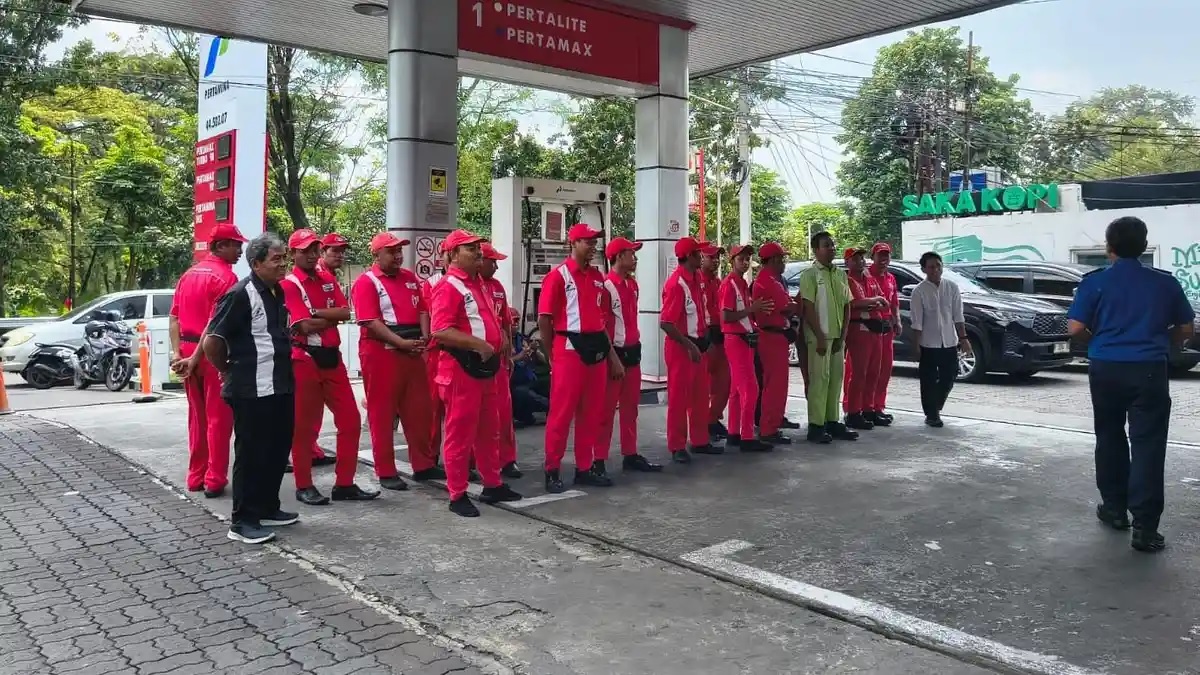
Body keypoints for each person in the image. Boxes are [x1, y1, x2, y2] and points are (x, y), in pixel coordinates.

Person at [1068, 216, 1194, 553]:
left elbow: (1075, 328)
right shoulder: (1164, 283)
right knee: (1148, 445)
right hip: (1149, 370)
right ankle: (1145, 528)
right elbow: (1186, 329)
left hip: (1106, 368)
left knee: (1109, 437)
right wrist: (1161, 341)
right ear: (1143, 246)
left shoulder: (1095, 282)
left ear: (1109, 247)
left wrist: (1100, 341)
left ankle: (1114, 510)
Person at [202, 232, 298, 545]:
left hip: (280, 384)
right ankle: (243, 520)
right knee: (252, 453)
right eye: (276, 259)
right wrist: (227, 369)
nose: (283, 264)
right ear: (256, 264)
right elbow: (213, 341)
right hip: (250, 387)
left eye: (284, 258)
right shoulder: (240, 294)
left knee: (277, 449)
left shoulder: (276, 291)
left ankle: (267, 506)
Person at [280, 229, 378, 506]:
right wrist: (328, 317)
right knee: (304, 427)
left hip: (332, 358)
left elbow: (345, 312)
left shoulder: (326, 278)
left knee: (350, 421)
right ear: (293, 253)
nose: (311, 255)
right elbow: (303, 326)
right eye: (305, 251)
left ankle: (344, 483)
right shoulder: (289, 284)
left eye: (315, 250)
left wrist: (316, 313)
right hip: (304, 359)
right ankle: (304, 484)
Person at [430, 229, 523, 516]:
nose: (478, 252)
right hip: (462, 369)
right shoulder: (448, 286)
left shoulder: (478, 283)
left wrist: (501, 337)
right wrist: (479, 344)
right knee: (460, 434)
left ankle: (492, 484)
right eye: (470, 248)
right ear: (453, 255)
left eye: (477, 247)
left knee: (488, 430)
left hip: (485, 368)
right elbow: (440, 330)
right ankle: (457, 494)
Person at [538, 224, 623, 492]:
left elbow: (602, 319)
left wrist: (610, 355)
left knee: (592, 412)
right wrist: (552, 354)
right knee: (561, 413)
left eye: (595, 242)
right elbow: (544, 319)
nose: (593, 246)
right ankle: (552, 469)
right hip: (568, 348)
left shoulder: (598, 277)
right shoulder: (558, 276)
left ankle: (584, 468)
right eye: (588, 241)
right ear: (573, 243)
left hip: (595, 347)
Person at [349, 232, 437, 489]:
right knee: (382, 412)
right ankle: (386, 470)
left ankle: (423, 465)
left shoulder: (409, 278)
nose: (398, 256)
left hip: (412, 351)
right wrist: (401, 343)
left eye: (399, 251)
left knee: (419, 410)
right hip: (382, 353)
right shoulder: (367, 282)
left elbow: (423, 309)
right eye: (391, 251)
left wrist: (424, 337)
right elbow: (371, 321)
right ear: (376, 254)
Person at [169, 223, 246, 498]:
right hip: (212, 353)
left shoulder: (188, 275)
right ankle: (214, 480)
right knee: (218, 419)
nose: (240, 251)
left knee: (197, 418)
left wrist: (178, 354)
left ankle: (195, 476)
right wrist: (195, 358)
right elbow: (214, 324)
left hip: (188, 350)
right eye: (236, 245)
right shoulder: (227, 278)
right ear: (221, 246)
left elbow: (174, 317)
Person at [598, 237, 662, 473]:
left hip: (633, 351)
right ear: (618, 257)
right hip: (615, 354)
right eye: (630, 254)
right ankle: (598, 458)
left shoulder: (632, 285)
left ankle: (630, 453)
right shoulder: (606, 286)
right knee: (606, 410)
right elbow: (602, 326)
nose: (635, 259)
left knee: (630, 408)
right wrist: (612, 358)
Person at [661, 236, 718, 462]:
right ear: (688, 256)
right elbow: (666, 323)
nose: (701, 257)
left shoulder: (697, 279)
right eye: (697, 254)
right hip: (681, 349)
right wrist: (689, 346)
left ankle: (700, 440)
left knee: (700, 397)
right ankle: (676, 446)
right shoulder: (676, 284)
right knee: (679, 399)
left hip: (697, 346)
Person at [798, 232, 857, 443]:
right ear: (816, 250)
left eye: (832, 244)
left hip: (837, 336)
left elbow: (847, 305)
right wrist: (820, 336)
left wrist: (843, 335)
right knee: (819, 380)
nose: (831, 248)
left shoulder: (840, 275)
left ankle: (832, 420)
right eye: (826, 245)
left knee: (835, 380)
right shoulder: (810, 275)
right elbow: (808, 307)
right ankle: (816, 425)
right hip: (818, 337)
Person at [720, 244, 773, 452]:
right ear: (732, 261)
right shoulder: (730, 284)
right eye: (741, 259)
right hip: (736, 340)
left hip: (743, 339)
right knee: (750, 389)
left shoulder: (741, 283)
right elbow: (726, 316)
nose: (745, 262)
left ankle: (734, 432)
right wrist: (752, 309)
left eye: (747, 259)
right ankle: (747, 436)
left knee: (736, 390)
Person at [480, 242, 523, 479]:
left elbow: (506, 320)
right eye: (492, 262)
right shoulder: (469, 287)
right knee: (478, 415)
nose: (496, 267)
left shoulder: (497, 287)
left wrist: (508, 345)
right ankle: (475, 461)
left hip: (500, 362)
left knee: (504, 412)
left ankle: (507, 459)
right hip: (477, 361)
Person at [909, 251, 966, 428]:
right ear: (924, 269)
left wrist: (964, 338)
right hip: (928, 343)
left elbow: (958, 315)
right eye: (931, 267)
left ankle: (936, 404)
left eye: (938, 266)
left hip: (949, 341)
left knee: (950, 375)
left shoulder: (952, 287)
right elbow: (917, 322)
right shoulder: (919, 291)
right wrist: (916, 346)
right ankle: (932, 414)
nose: (935, 270)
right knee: (928, 380)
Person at [752, 241, 799, 444]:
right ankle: (768, 428)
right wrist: (794, 306)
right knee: (775, 385)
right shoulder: (769, 282)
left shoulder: (769, 280)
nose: (784, 263)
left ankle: (772, 423)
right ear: (773, 260)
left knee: (774, 384)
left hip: (774, 335)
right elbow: (789, 306)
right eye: (781, 259)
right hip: (772, 337)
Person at [841, 247, 889, 430]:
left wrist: (871, 303)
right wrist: (873, 302)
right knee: (859, 373)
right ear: (847, 262)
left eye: (861, 258)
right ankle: (853, 412)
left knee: (873, 372)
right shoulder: (847, 281)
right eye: (855, 258)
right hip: (858, 329)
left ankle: (868, 409)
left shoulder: (869, 279)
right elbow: (853, 304)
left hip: (875, 329)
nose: (860, 261)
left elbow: (884, 302)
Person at [866, 243, 899, 427]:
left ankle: (878, 406)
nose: (884, 259)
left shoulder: (891, 278)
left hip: (887, 327)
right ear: (873, 257)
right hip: (870, 327)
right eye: (880, 255)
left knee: (884, 369)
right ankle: (863, 407)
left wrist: (897, 321)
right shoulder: (866, 276)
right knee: (868, 370)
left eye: (887, 255)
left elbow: (894, 303)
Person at [700, 244, 731, 440]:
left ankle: (711, 419)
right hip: (706, 337)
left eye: (717, 257)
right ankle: (704, 423)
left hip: (721, 336)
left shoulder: (718, 282)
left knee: (724, 383)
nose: (716, 261)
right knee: (704, 386)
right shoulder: (697, 282)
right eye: (711, 257)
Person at [510, 328, 549, 426]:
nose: (515, 324)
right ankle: (553, 408)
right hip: (515, 382)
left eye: (517, 321)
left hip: (530, 377)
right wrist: (519, 356)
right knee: (525, 394)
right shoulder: (504, 340)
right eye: (513, 321)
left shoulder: (522, 338)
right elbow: (505, 361)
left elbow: (544, 360)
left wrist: (535, 351)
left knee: (551, 382)